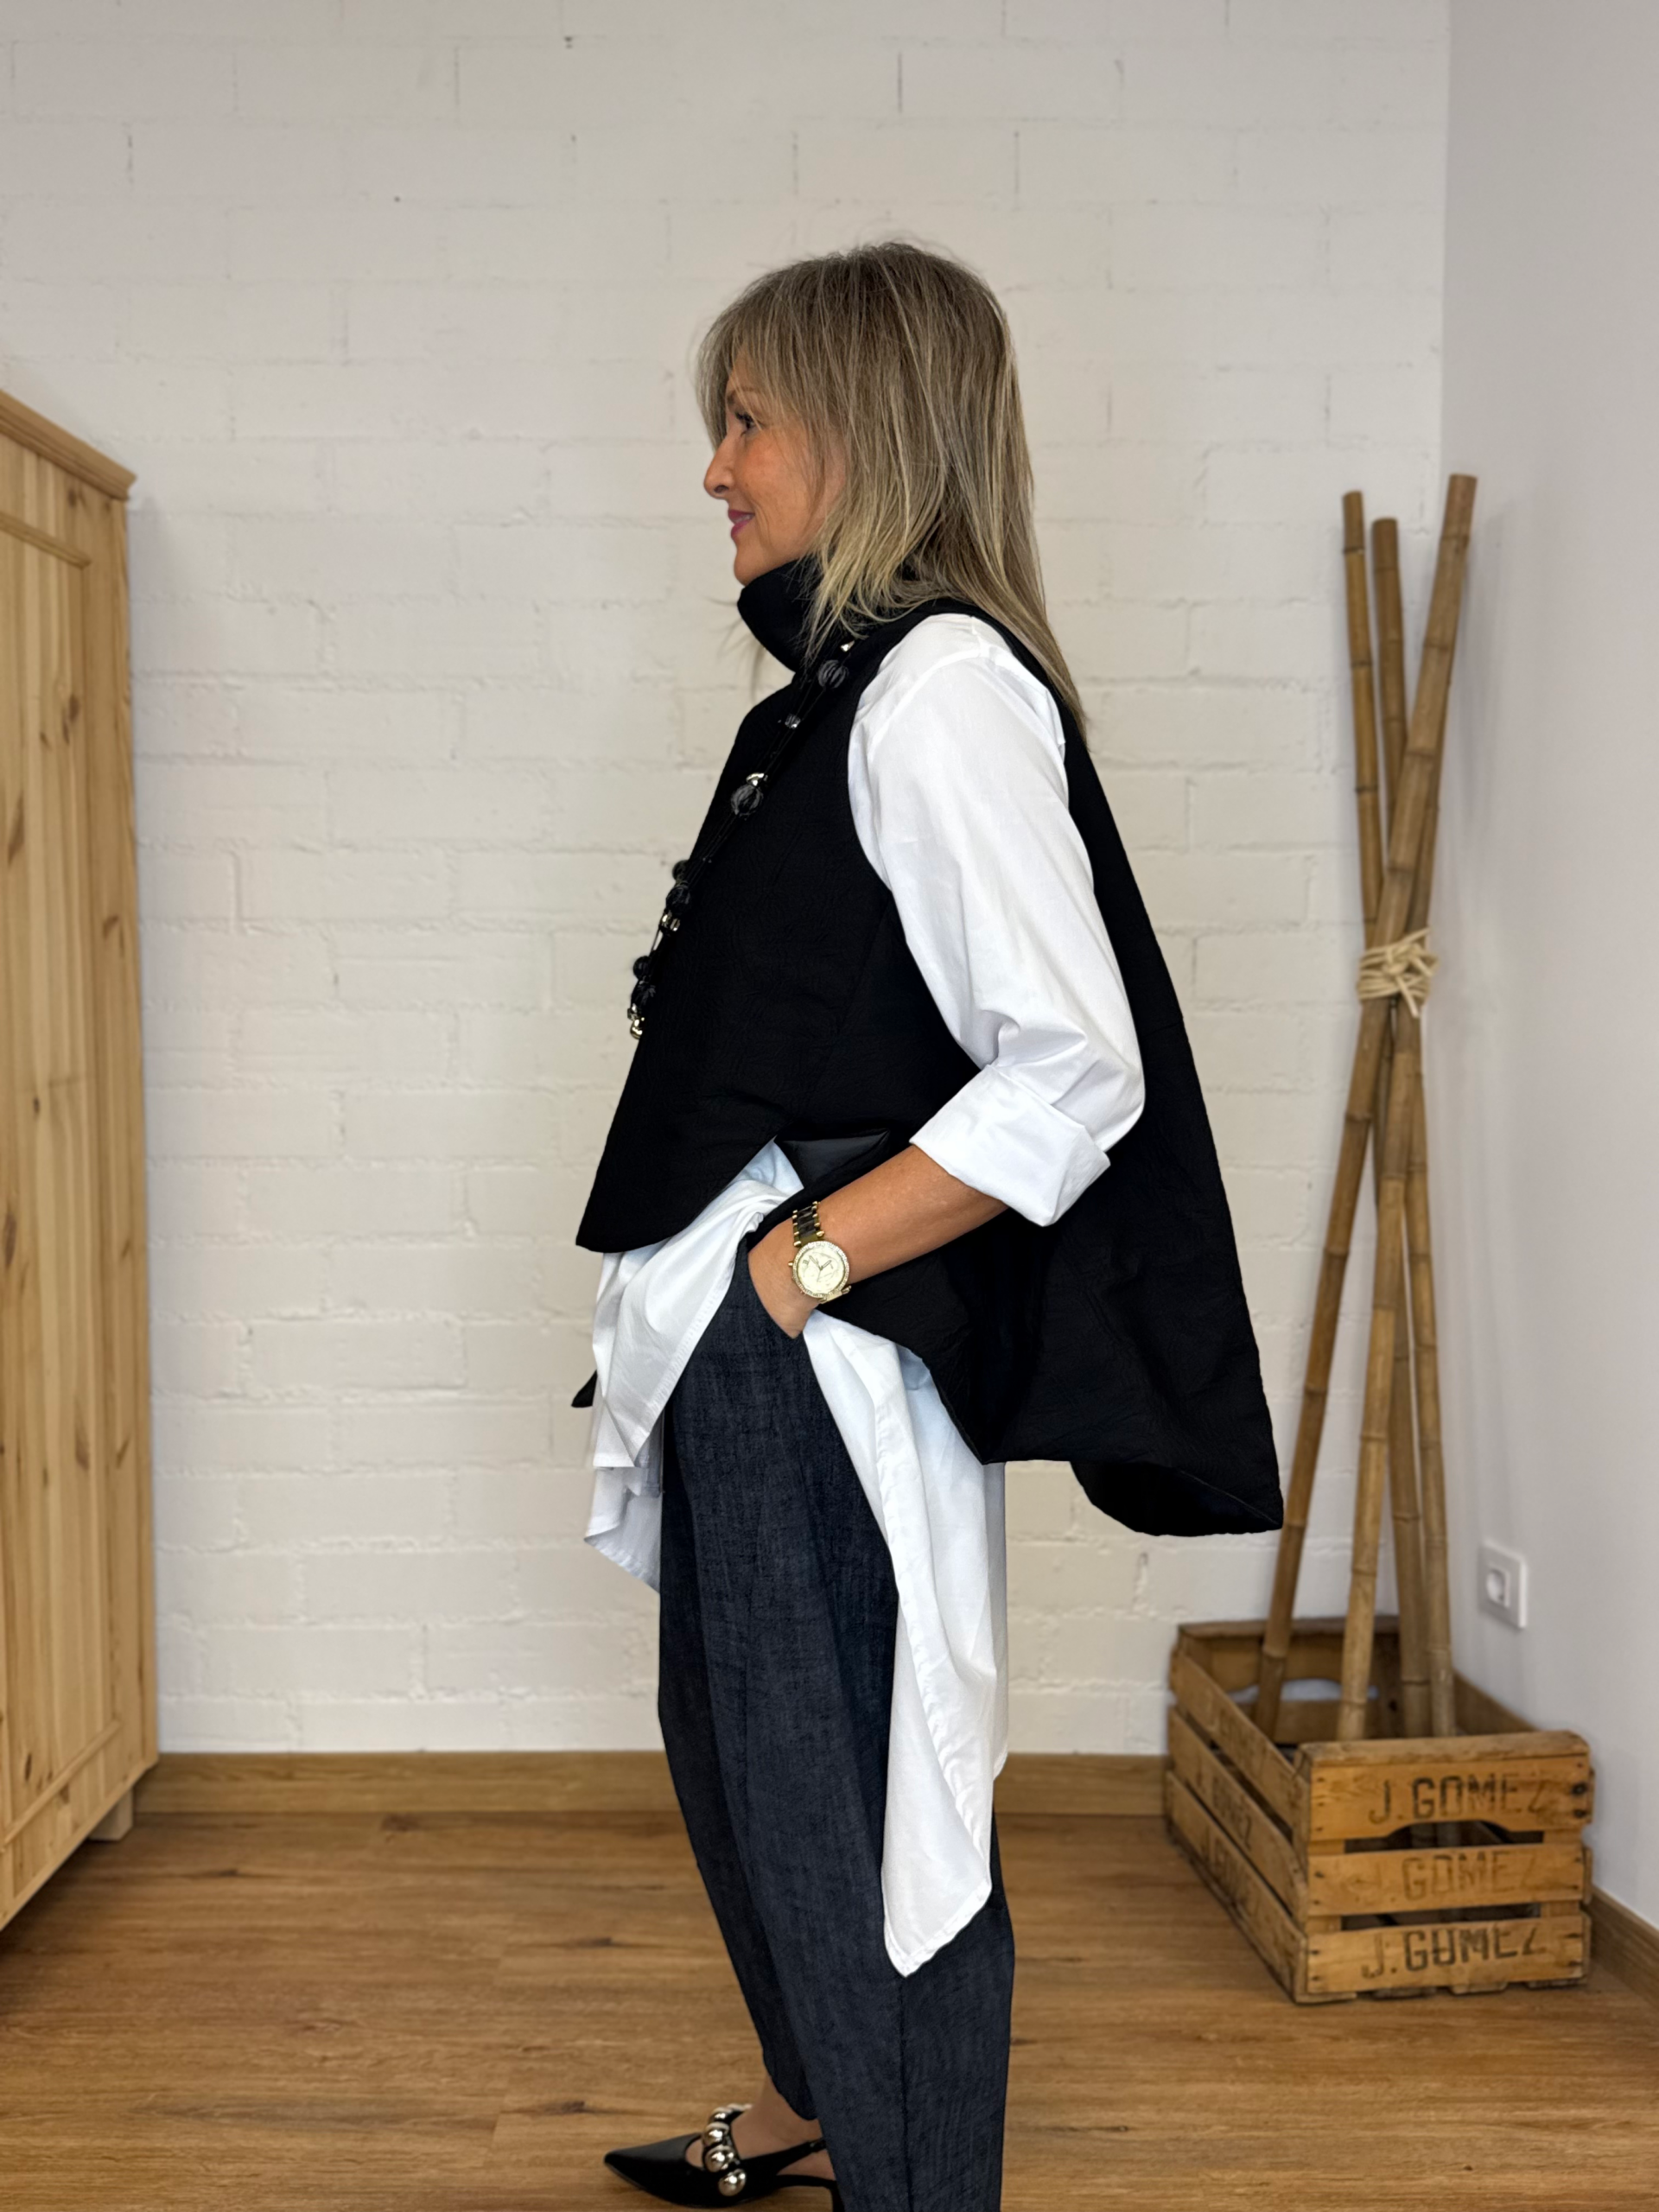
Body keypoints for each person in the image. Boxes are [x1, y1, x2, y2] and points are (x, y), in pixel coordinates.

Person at [572, 241, 1280, 2212]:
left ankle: (916, 2181)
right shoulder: (844, 695)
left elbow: (1076, 1066)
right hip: (749, 1339)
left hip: (816, 1343)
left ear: (861, 431)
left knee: (858, 1805)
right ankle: (820, 2107)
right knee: (750, 1768)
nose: (716, 467)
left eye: (746, 420)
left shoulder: (944, 690)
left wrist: (801, 1272)